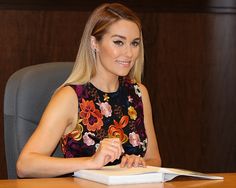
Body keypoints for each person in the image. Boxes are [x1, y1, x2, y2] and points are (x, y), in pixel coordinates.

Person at [16, 2, 161, 178]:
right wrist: (91, 162)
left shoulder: (139, 93)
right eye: (118, 42)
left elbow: (154, 159)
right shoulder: (70, 97)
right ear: (94, 43)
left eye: (134, 43)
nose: (129, 53)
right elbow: (25, 165)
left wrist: (139, 162)